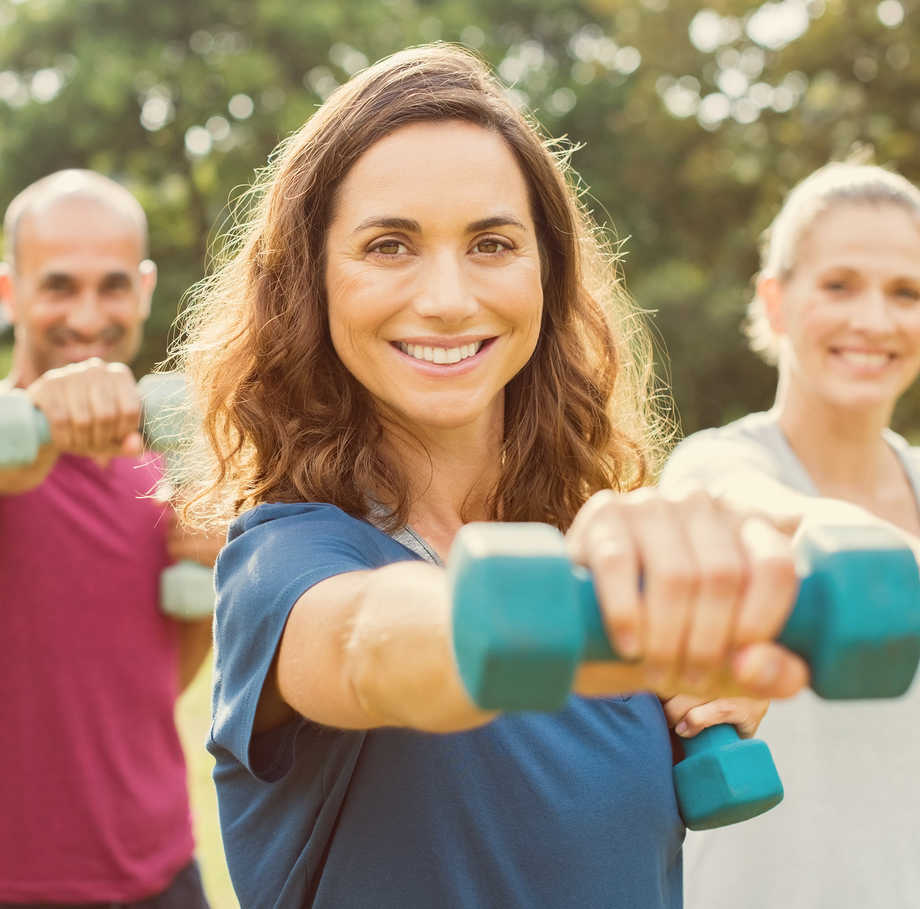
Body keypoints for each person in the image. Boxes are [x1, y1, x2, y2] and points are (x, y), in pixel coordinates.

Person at [169, 45, 817, 909]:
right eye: (390, 244)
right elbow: (373, 647)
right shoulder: (285, 568)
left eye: (492, 243)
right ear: (310, 279)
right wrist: (609, 621)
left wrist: (695, 653)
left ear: (545, 271)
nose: (447, 296)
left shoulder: (596, 566)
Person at [0, 170, 220, 908]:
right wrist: (39, 413)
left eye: (111, 286)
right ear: (9, 291)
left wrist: (202, 576)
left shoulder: (162, 473)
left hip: (164, 871)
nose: (87, 315)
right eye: (58, 286)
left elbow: (150, 685)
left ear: (143, 290)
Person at [662, 160, 920, 906]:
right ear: (775, 302)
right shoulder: (715, 467)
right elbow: (745, 506)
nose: (874, 320)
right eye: (839, 285)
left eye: (906, 292)